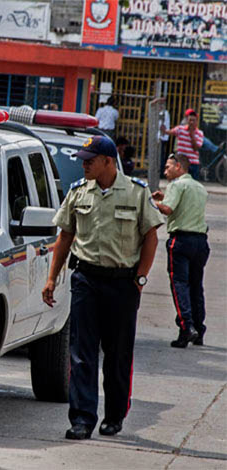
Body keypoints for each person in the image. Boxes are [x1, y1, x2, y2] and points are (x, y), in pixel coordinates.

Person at [42, 135, 163, 440]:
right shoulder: (78, 192)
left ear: (108, 161)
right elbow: (65, 237)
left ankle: (114, 415)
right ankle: (82, 418)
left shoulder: (136, 192)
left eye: (90, 160)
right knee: (81, 352)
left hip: (123, 284)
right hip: (86, 280)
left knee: (117, 354)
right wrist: (51, 278)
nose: (84, 165)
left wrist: (141, 278)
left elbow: (150, 236)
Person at [151, 153, 209, 348]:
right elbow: (183, 206)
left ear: (179, 167)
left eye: (168, 167)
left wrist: (152, 202)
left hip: (181, 241)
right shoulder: (199, 187)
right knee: (195, 286)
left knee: (179, 285)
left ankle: (186, 328)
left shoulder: (176, 185)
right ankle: (199, 330)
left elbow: (167, 210)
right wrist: (165, 197)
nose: (165, 170)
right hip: (200, 241)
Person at [162, 109, 203, 180]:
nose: (192, 122)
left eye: (194, 120)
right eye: (190, 120)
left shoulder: (199, 133)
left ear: (196, 121)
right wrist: (164, 130)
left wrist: (192, 135)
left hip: (193, 163)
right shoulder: (180, 129)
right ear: (187, 120)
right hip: (181, 163)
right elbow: (169, 132)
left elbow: (196, 148)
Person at [158, 109, 170, 177]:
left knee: (160, 156)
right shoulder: (161, 112)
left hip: (161, 137)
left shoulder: (164, 113)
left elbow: (163, 126)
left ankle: (161, 172)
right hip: (160, 137)